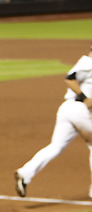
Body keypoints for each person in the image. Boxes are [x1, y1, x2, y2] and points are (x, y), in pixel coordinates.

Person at [15, 44, 92, 198]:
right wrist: (85, 98)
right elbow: (69, 79)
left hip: (67, 109)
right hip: (79, 109)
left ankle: (25, 172)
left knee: (56, 146)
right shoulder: (88, 62)